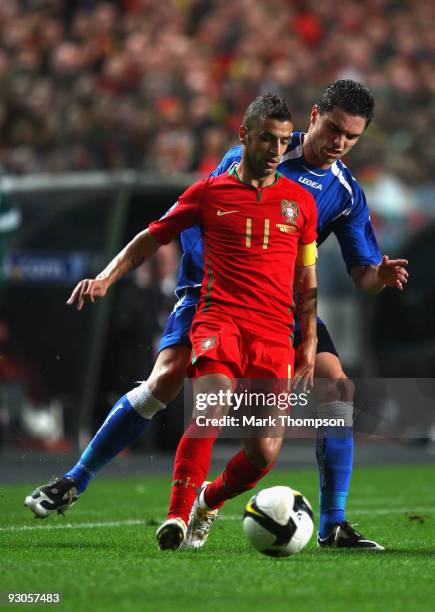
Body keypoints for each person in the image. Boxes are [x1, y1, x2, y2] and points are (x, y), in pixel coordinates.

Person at [25, 80, 407, 551]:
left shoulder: (344, 191)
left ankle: (332, 523)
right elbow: (198, 215)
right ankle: (76, 479)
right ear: (314, 116)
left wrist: (379, 276)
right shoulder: (258, 153)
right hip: (213, 293)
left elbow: (360, 273)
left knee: (336, 388)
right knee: (166, 379)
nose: (339, 143)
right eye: (333, 129)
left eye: (351, 137)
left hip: (280, 306)